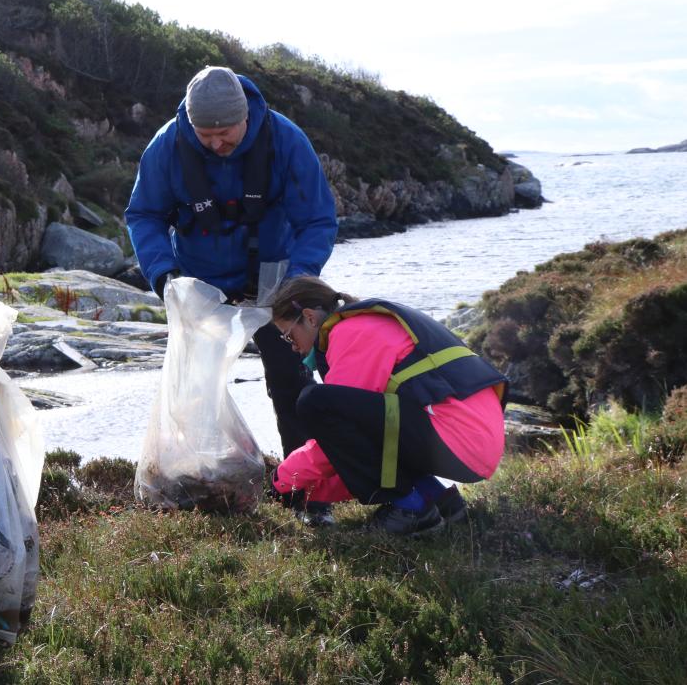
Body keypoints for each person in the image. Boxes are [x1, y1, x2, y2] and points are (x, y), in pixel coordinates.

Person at [125, 65, 339, 524]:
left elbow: (317, 220)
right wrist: (165, 278)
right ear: (190, 123)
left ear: (247, 119)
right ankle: (198, 492)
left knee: (293, 384)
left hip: (276, 283)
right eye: (207, 135)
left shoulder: (285, 141)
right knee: (195, 390)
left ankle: (307, 495)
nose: (218, 143)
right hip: (201, 286)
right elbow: (143, 215)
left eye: (226, 134)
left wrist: (300, 282)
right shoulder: (167, 146)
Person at [266, 276, 508, 536]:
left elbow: (337, 443)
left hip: (459, 441)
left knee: (315, 402)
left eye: (289, 337)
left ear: (310, 317)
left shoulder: (351, 334)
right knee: (378, 422)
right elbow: (362, 446)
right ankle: (441, 501)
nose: (293, 348)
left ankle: (412, 511)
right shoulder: (371, 321)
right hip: (476, 440)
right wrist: (311, 487)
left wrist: (284, 480)